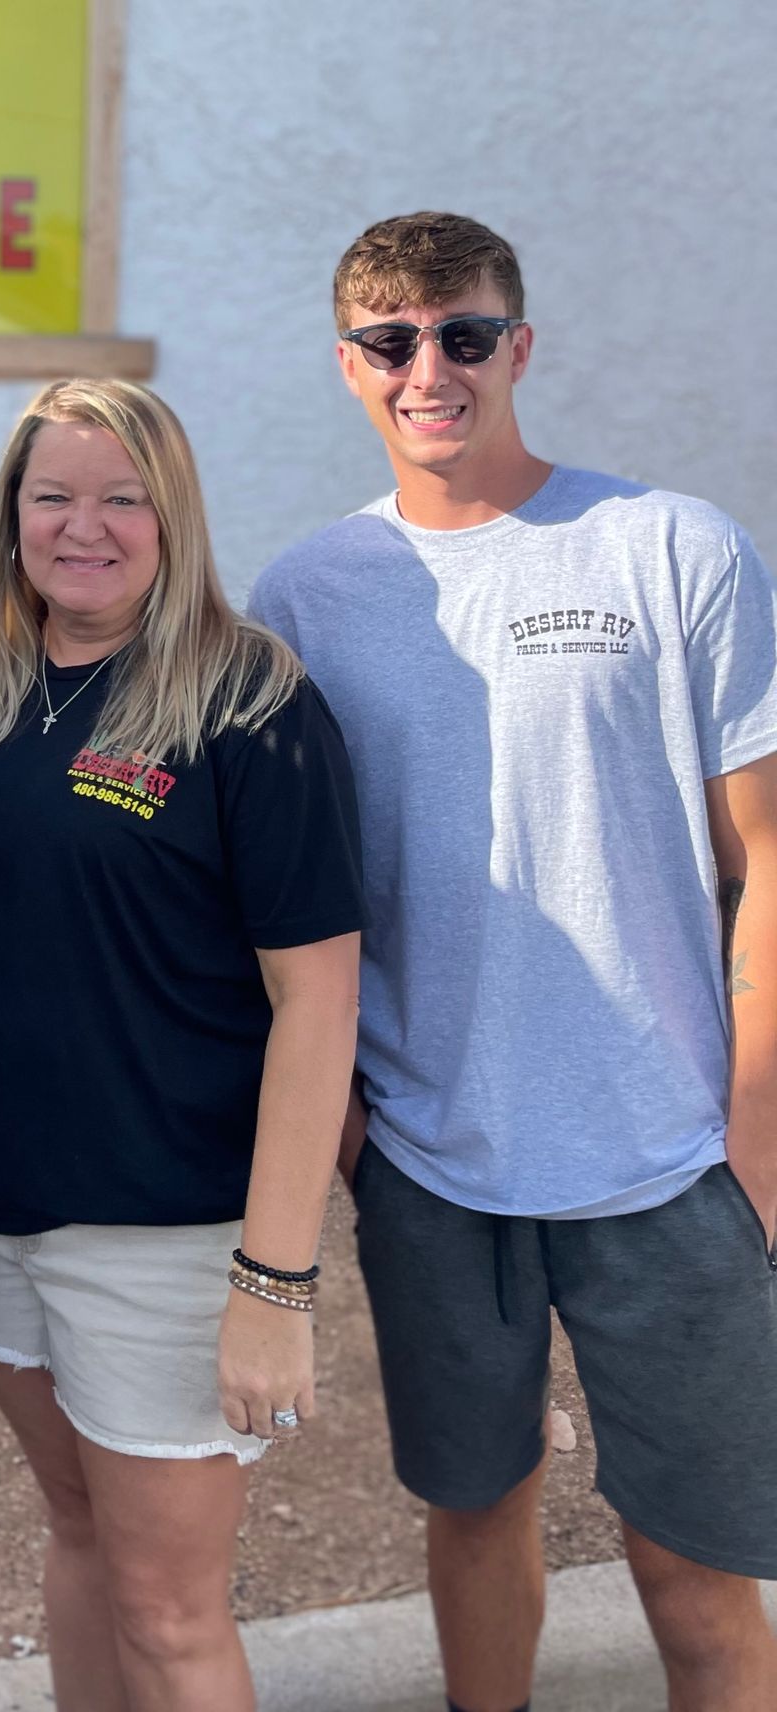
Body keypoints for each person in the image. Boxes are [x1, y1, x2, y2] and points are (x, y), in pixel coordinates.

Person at [251, 208, 777, 1712]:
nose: (430, 370)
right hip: (433, 1169)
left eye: (463, 335)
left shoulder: (672, 548)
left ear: (518, 346)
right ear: (349, 365)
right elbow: (295, 898)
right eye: (391, 343)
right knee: (476, 1522)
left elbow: (767, 860)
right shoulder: (306, 598)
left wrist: (753, 1146)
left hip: (670, 1165)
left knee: (695, 1578)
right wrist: (353, 1134)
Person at [0, 377, 363, 1712]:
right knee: (80, 1532)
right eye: (53, 496)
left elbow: (319, 1005)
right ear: (14, 516)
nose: (84, 526)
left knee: (169, 1612)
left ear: (175, 516)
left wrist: (275, 1282)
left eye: (123, 499)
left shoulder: (252, 706)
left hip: (164, 1239)